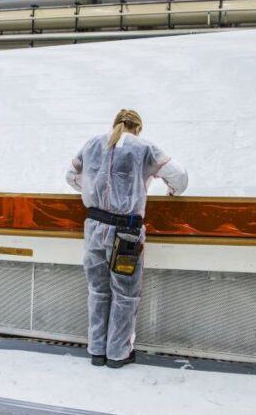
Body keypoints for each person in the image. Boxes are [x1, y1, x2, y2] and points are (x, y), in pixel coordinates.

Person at [66, 109, 187, 368]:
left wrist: (92, 189)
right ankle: (118, 354)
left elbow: (71, 176)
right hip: (126, 233)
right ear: (138, 128)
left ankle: (97, 351)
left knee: (98, 291)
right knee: (125, 295)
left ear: (115, 124)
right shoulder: (144, 148)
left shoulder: (92, 144)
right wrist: (172, 193)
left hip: (94, 227)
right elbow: (179, 177)